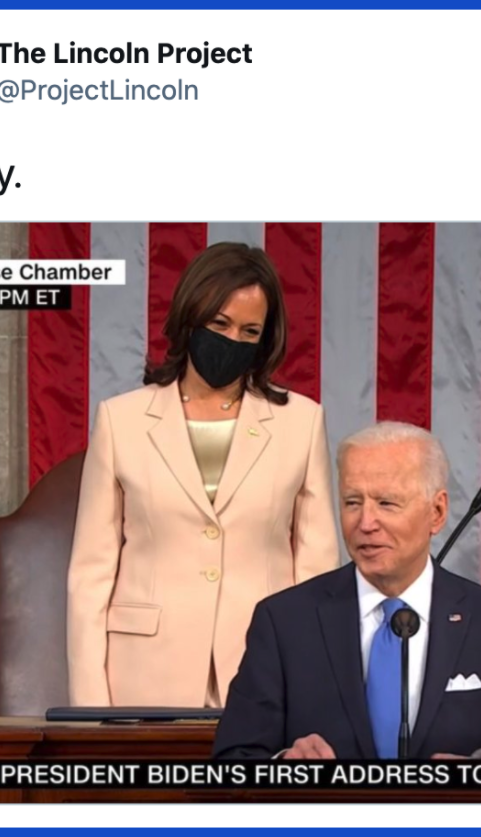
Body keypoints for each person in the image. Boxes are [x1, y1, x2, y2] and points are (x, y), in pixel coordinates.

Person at [213, 422, 481, 760]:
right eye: (352, 502)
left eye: (386, 503)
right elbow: (232, 759)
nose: (366, 522)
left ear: (436, 513)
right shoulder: (285, 622)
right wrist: (283, 764)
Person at [67, 242, 339, 708]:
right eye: (220, 324)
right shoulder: (121, 420)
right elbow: (90, 575)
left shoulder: (302, 421)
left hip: (266, 672)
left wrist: (313, 694)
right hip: (143, 676)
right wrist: (91, 710)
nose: (233, 340)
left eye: (249, 330)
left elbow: (316, 575)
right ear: (191, 317)